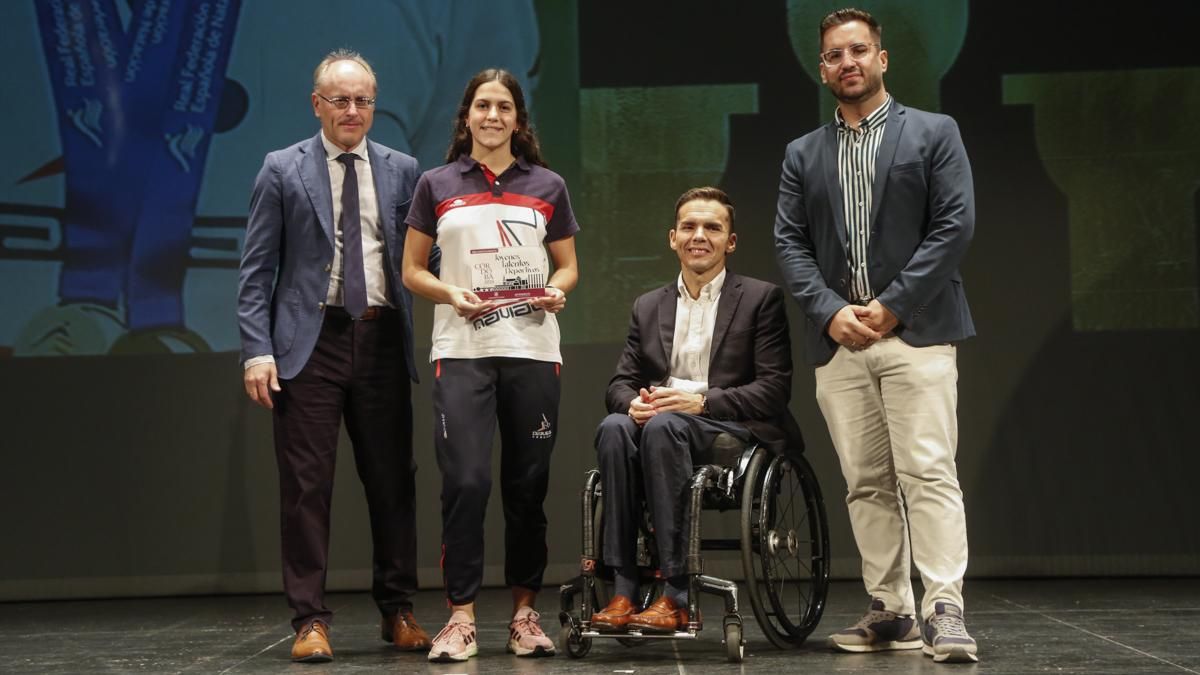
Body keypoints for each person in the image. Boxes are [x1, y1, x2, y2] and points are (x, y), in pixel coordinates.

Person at [774, 8, 979, 664]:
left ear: (882, 59)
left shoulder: (934, 133)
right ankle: (892, 609)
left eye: (858, 50)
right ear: (823, 67)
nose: (847, 62)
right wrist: (832, 311)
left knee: (927, 470)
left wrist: (890, 306)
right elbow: (790, 242)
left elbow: (954, 224)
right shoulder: (803, 154)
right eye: (834, 55)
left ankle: (945, 606)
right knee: (865, 480)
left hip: (914, 332)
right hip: (841, 344)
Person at [237, 50, 433, 663]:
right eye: (341, 100)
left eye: (364, 100)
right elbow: (256, 273)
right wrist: (256, 352)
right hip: (307, 345)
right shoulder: (281, 169)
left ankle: (398, 609)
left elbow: (426, 260)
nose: (353, 111)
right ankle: (309, 621)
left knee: (392, 484)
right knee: (305, 489)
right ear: (317, 103)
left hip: (380, 337)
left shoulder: (404, 170)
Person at [401, 68, 580, 663]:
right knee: (467, 482)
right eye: (483, 106)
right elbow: (412, 271)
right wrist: (448, 293)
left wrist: (557, 289)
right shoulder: (436, 183)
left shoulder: (548, 185)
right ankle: (461, 617)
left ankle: (525, 615)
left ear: (518, 119)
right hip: (462, 352)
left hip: (531, 351)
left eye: (504, 106)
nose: (493, 116)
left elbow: (568, 268)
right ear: (467, 116)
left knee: (527, 489)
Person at [590, 187, 802, 634]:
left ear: (731, 241)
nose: (699, 236)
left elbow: (773, 388)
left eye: (712, 227)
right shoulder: (648, 306)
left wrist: (701, 402)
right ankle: (624, 589)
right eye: (689, 227)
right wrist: (632, 403)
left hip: (728, 427)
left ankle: (677, 594)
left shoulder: (760, 299)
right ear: (673, 238)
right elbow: (619, 383)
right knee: (613, 428)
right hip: (662, 425)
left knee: (666, 426)